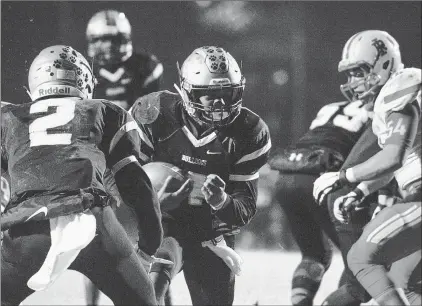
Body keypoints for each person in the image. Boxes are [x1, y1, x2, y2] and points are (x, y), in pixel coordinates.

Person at [1, 45, 163, 306]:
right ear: (85, 82)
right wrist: (148, 247)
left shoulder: (8, 117)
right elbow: (139, 188)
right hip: (95, 225)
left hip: (29, 227)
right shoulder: (104, 111)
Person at [129, 46, 271, 305]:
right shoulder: (155, 113)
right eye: (211, 95)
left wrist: (221, 201)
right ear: (187, 92)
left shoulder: (249, 131)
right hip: (163, 224)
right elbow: (124, 184)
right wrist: (152, 203)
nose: (221, 103)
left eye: (227, 93)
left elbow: (245, 209)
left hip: (211, 231)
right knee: (150, 290)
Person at [312, 30, 418, 306]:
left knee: (360, 257)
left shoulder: (400, 90)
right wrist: (361, 191)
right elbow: (395, 163)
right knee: (404, 281)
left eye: (358, 72)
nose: (353, 83)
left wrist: (345, 175)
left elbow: (393, 156)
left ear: (384, 64)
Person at [85, 9, 166, 305]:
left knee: (152, 224)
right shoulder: (87, 70)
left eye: (112, 39)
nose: (106, 46)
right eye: (100, 40)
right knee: (97, 233)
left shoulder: (145, 66)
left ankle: (159, 294)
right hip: (100, 158)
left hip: (135, 152)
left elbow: (149, 114)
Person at [268, 93, 373, 304]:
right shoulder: (382, 110)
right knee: (362, 271)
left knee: (314, 255)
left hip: (287, 175)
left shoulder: (332, 106)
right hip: (322, 177)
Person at [86, 9, 163, 111]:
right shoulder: (85, 67)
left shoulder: (145, 65)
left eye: (115, 40)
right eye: (103, 40)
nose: (109, 46)